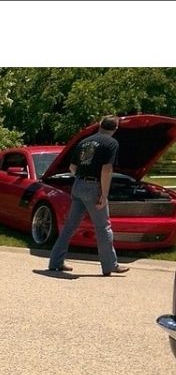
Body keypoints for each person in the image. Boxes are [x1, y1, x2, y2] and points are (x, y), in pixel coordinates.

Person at [47, 115, 129, 276]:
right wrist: (104, 195)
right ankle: (110, 265)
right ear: (115, 129)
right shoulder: (111, 143)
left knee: (69, 226)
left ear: (99, 125)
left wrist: (83, 178)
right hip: (94, 187)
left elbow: (72, 167)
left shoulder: (85, 142)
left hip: (78, 185)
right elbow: (106, 169)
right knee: (103, 227)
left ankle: (55, 262)